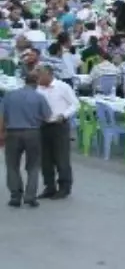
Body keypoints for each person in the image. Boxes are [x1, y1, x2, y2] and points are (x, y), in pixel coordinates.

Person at [2, 71, 52, 207]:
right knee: (33, 166)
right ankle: (30, 196)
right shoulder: (39, 97)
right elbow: (47, 117)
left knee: (12, 165)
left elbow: (3, 116)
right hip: (32, 133)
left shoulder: (10, 96)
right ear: (36, 83)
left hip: (12, 132)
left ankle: (15, 195)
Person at [36, 64, 79, 200]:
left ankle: (64, 187)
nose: (38, 79)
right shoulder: (38, 89)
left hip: (59, 125)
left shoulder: (62, 87)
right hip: (43, 125)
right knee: (45, 159)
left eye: (40, 76)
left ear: (49, 74)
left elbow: (75, 104)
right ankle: (49, 186)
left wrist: (64, 115)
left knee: (61, 158)